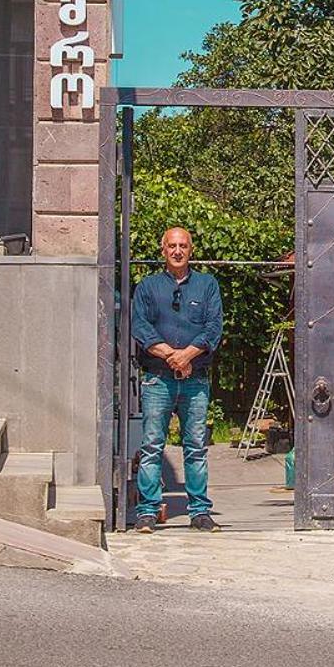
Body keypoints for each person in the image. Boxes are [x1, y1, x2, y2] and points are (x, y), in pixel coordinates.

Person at [129, 226, 224, 532]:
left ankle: (199, 512)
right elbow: (140, 328)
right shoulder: (147, 287)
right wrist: (172, 355)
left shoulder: (207, 286)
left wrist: (187, 357)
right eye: (172, 245)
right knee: (153, 444)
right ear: (163, 250)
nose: (178, 251)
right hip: (158, 379)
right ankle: (147, 510)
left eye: (183, 245)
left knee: (195, 446)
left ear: (191, 249)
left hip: (195, 379)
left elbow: (213, 329)